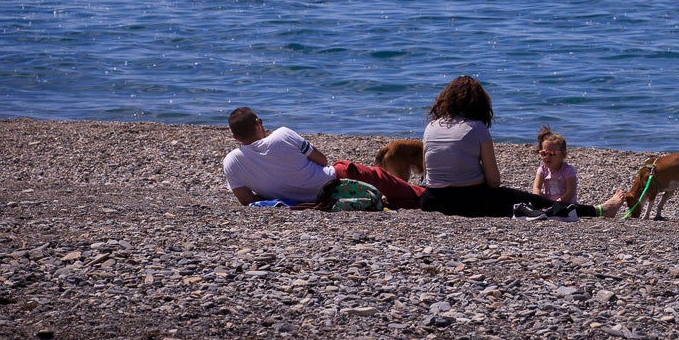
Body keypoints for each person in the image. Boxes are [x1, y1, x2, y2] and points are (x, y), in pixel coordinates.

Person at [419, 76, 625, 219]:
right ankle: (599, 210)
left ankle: (598, 210)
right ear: (479, 104)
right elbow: (494, 181)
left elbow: (429, 175)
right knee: (534, 202)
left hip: (432, 201)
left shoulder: (430, 127)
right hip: (471, 202)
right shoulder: (477, 128)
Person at [222, 107, 424, 209]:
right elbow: (322, 160)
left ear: (234, 136)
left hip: (312, 200)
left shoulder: (231, 162)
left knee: (395, 199)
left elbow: (246, 200)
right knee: (389, 182)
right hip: (336, 180)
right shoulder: (282, 134)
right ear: (258, 123)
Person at [531, 125, 577, 204]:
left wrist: (557, 203)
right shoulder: (542, 169)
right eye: (544, 153)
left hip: (566, 205)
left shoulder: (567, 170)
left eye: (552, 153)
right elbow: (536, 187)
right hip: (548, 204)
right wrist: (538, 198)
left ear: (563, 155)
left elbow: (571, 192)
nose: (547, 157)